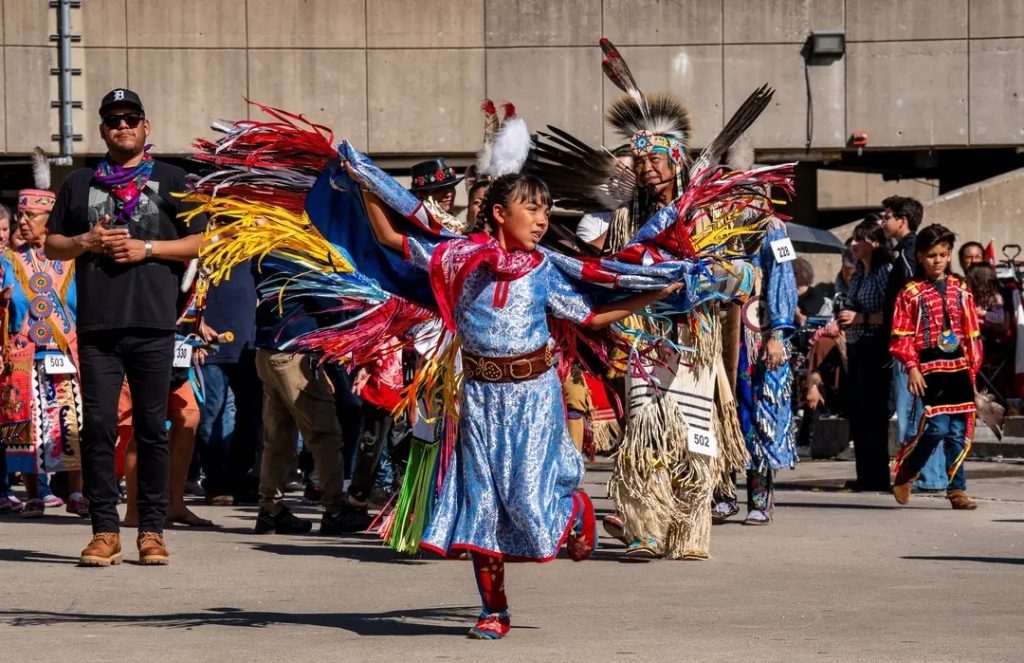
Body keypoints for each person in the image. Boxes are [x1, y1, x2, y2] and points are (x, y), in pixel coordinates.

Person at [359, 171, 681, 639]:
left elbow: (590, 316)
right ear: (498, 213)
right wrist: (362, 179)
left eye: (546, 211)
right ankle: (495, 611)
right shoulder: (457, 260)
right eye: (532, 209)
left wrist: (652, 292)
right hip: (479, 401)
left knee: (528, 501)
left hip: (533, 399)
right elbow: (390, 236)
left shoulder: (546, 269)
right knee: (483, 508)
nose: (542, 220)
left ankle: (573, 510)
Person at [45, 88, 205, 566]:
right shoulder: (79, 184)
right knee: (97, 428)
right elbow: (52, 245)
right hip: (98, 328)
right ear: (102, 130)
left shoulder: (174, 180)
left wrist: (148, 249)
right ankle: (104, 531)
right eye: (113, 120)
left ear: (145, 126)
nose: (122, 126)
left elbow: (205, 240)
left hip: (154, 325)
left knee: (153, 429)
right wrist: (85, 239)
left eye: (130, 118)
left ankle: (152, 530)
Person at [1, 161, 88, 519]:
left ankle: (78, 491)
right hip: (22, 354)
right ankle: (35, 493)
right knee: (23, 425)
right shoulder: (6, 261)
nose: (23, 222)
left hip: (64, 350)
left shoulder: (69, 262)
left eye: (32, 216)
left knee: (70, 421)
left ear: (50, 220)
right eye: (21, 215)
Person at [890, 224, 982, 509]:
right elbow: (901, 334)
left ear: (950, 254)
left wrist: (973, 366)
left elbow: (971, 330)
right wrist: (912, 366)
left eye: (943, 254)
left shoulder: (961, 289)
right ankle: (908, 470)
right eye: (931, 255)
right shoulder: (910, 292)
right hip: (929, 367)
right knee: (937, 428)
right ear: (920, 257)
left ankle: (957, 490)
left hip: (959, 367)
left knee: (957, 431)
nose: (937, 260)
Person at [837, 219, 893, 491]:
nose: (855, 244)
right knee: (859, 412)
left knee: (874, 412)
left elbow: (891, 315)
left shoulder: (885, 272)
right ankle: (865, 473)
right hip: (857, 345)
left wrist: (860, 317)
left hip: (875, 345)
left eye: (861, 239)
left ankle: (878, 474)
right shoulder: (859, 271)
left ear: (875, 242)